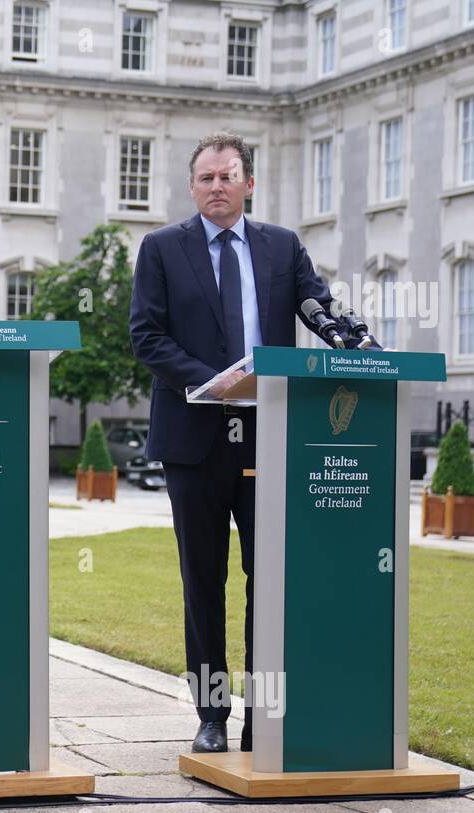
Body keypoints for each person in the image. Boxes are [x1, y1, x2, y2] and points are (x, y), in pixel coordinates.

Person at [128, 132, 333, 754]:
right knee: (203, 579)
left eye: (228, 176)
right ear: (192, 187)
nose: (217, 186)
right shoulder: (162, 248)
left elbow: (317, 307)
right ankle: (212, 713)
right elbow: (147, 336)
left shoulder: (282, 247)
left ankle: (263, 716)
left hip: (268, 440)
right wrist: (212, 384)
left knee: (269, 580)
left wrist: (348, 339)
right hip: (194, 440)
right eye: (206, 178)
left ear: (249, 183)